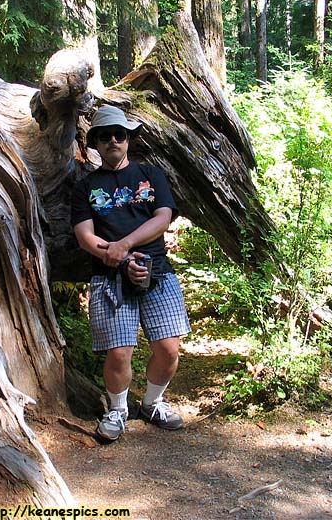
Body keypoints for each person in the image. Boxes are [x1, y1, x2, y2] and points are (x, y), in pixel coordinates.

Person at [70, 105, 191, 442]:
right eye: (105, 136)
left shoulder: (151, 175)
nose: (113, 140)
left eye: (119, 134)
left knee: (168, 349)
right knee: (119, 351)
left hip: (158, 274)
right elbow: (84, 237)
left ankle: (153, 403)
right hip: (110, 279)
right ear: (94, 142)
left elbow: (163, 217)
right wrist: (120, 259)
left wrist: (125, 244)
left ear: (128, 139)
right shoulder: (85, 187)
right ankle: (118, 410)